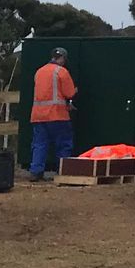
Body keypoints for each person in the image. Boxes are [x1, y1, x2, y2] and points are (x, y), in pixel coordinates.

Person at [28, 47, 79, 182]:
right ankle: (62, 171)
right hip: (57, 115)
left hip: (38, 116)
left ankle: (36, 172)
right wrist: (74, 91)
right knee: (63, 144)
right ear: (62, 58)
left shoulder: (39, 71)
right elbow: (69, 93)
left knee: (39, 144)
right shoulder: (61, 72)